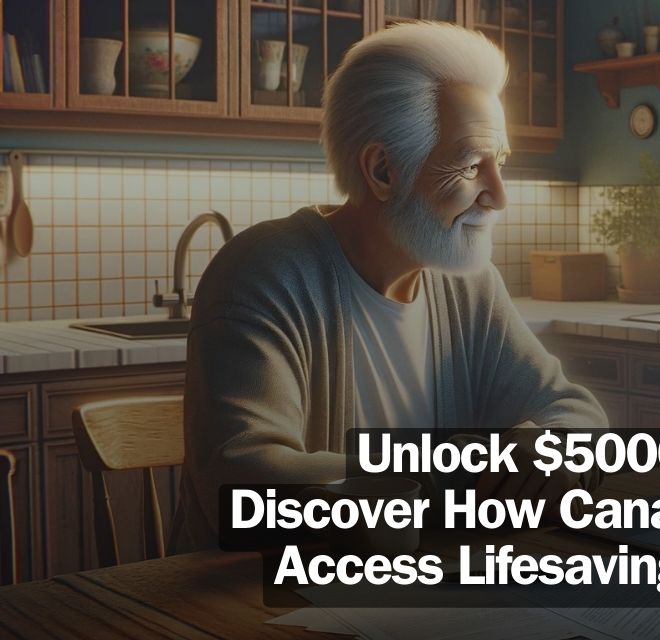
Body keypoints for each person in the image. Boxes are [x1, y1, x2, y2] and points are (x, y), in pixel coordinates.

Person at [171, 22, 606, 553]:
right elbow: (244, 478)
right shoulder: (264, 273)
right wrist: (467, 475)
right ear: (382, 170)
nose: (498, 195)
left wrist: (551, 449)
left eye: (502, 163)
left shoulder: (469, 285)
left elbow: (575, 412)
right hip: (254, 608)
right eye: (471, 165)